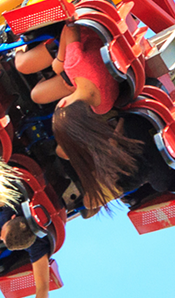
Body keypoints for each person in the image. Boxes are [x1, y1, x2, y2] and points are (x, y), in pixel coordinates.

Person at [32, 21, 143, 209]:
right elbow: (70, 26)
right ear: (64, 102)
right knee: (34, 81)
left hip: (112, 51)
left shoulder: (103, 107)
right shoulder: (74, 64)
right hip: (92, 30)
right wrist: (60, 63)